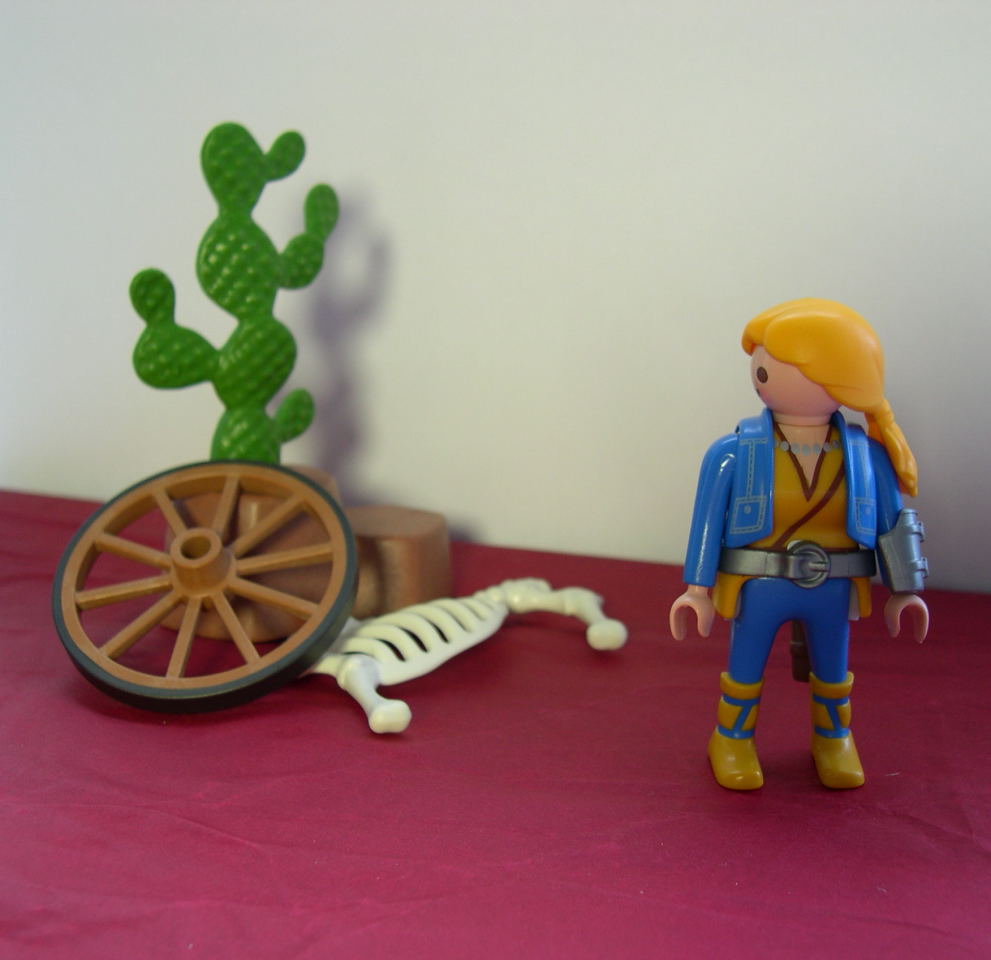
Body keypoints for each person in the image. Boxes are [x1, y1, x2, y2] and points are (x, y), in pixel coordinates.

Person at [669, 298, 929, 790]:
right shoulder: (734, 453)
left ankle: (833, 739)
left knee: (832, 668)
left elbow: (894, 524)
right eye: (761, 364)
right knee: (745, 666)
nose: (762, 373)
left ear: (843, 381)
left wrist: (905, 588)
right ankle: (732, 738)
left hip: (833, 586)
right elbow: (705, 521)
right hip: (758, 583)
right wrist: (696, 590)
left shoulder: (865, 457)